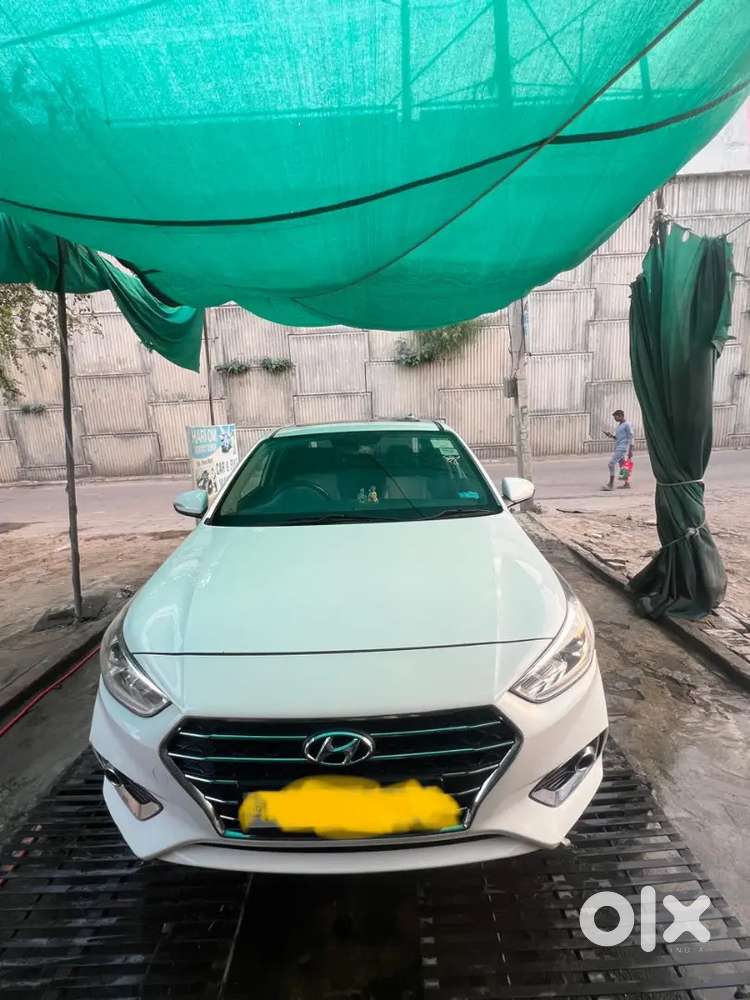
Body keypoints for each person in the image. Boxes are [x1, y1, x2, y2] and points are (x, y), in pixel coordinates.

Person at [602, 410, 634, 491]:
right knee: (623, 465)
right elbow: (617, 438)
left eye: (616, 416)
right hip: (619, 447)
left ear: (621, 416)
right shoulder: (620, 425)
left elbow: (631, 437)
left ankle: (611, 484)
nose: (615, 418)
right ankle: (626, 483)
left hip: (622, 448)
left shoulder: (627, 424)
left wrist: (631, 450)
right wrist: (611, 435)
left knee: (611, 464)